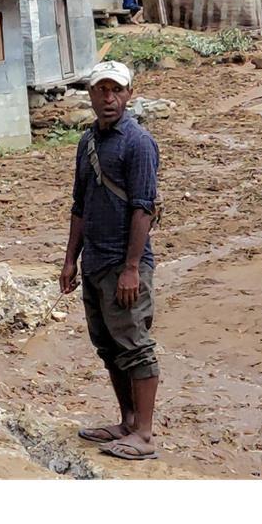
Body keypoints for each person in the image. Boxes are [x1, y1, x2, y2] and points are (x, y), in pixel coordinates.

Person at [61, 60, 161, 460]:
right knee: (108, 345)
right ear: (90, 94)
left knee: (136, 345)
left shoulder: (138, 143)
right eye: (101, 90)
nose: (108, 98)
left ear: (129, 94)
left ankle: (146, 435)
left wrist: (132, 268)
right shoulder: (88, 143)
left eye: (116, 90)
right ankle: (127, 421)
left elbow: (143, 208)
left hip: (125, 266)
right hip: (95, 263)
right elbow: (80, 206)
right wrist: (70, 260)